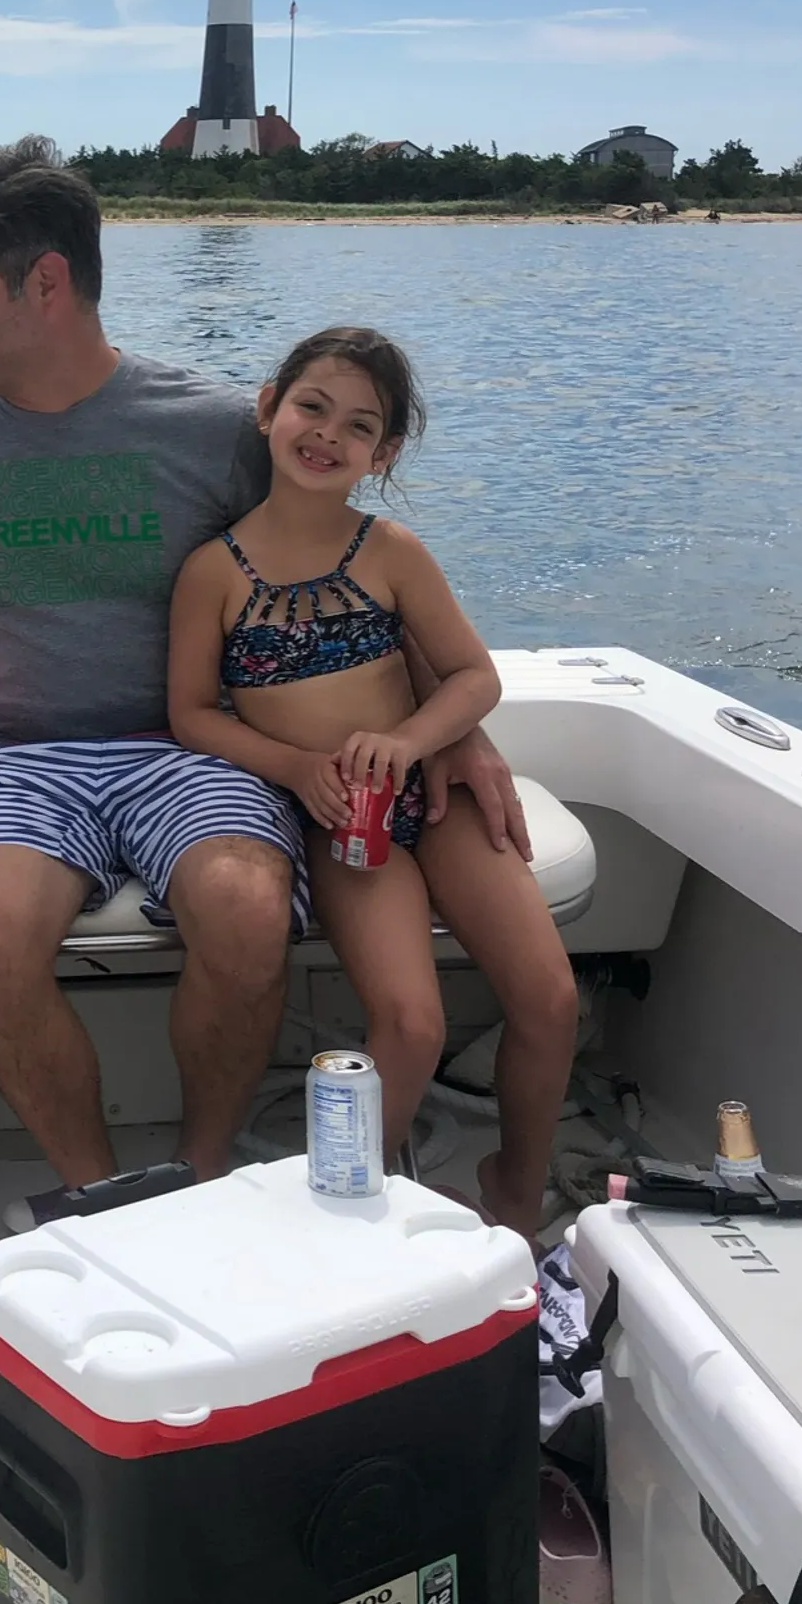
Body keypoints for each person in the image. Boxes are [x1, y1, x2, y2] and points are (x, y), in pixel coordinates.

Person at [0, 138, 535, 1208]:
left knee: (248, 910)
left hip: (190, 749)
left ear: (48, 284)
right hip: (17, 758)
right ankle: (107, 1198)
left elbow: (348, 568)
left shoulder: (216, 429)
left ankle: (198, 1182)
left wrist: (462, 731)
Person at [166, 328, 578, 1237]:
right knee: (411, 1024)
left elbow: (475, 676)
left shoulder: (392, 552)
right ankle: (349, 1218)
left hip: (437, 802)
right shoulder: (213, 572)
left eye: (359, 427)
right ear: (270, 406)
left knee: (549, 1001)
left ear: (382, 453)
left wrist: (414, 739)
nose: (326, 435)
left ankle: (514, 1188)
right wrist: (301, 770)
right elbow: (193, 712)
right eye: (312, 407)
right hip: (345, 824)